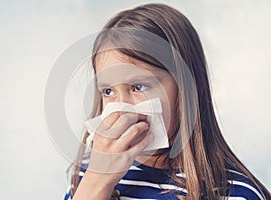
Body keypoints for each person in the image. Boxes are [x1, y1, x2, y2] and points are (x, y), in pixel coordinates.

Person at [64, 3, 271, 200]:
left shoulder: (236, 193)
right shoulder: (86, 177)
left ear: (186, 89)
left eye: (138, 87)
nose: (122, 109)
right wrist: (97, 183)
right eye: (108, 91)